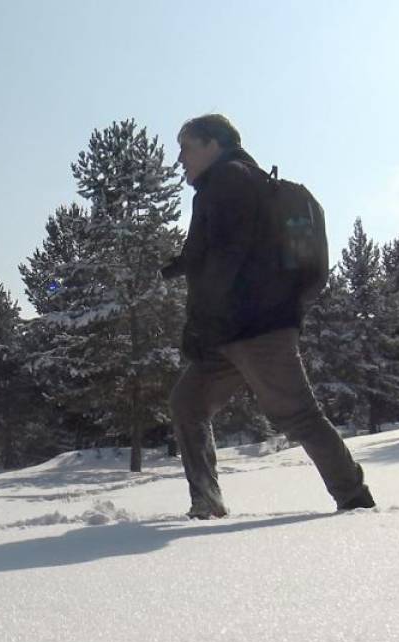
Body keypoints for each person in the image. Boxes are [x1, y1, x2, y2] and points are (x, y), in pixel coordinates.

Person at [161, 114, 375, 519]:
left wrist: (199, 325)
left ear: (214, 144)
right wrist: (180, 265)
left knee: (298, 415)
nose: (180, 158)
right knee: (187, 403)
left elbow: (228, 258)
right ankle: (206, 500)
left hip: (253, 331)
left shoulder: (225, 182)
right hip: (239, 330)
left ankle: (355, 499)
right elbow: (225, 249)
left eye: (186, 146)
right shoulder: (244, 183)